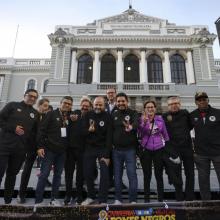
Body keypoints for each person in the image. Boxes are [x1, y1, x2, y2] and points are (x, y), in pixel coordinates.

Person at [0, 89, 39, 204]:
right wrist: (13, 128)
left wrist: (32, 149)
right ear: (24, 95)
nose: (32, 98)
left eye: (35, 97)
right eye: (30, 96)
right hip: (4, 147)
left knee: (12, 175)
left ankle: (7, 202)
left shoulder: (35, 114)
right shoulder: (12, 105)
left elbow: (34, 134)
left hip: (20, 150)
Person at [35, 96, 73, 206]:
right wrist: (40, 146)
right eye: (65, 103)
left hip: (62, 152)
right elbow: (42, 130)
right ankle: (38, 201)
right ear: (60, 103)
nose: (67, 105)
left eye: (69, 104)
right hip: (49, 150)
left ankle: (54, 199)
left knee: (58, 175)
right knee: (44, 175)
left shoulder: (70, 117)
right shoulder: (51, 114)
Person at [17, 98, 50, 204]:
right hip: (31, 147)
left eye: (48, 106)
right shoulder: (33, 115)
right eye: (45, 106)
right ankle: (21, 194)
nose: (46, 108)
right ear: (39, 105)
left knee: (45, 169)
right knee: (27, 170)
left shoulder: (46, 117)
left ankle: (42, 190)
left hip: (42, 147)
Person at [163, 96, 195, 201]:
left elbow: (191, 126)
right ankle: (179, 197)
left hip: (187, 148)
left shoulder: (185, 113)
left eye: (176, 103)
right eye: (171, 104)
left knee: (190, 173)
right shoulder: (164, 116)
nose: (174, 105)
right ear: (168, 106)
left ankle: (190, 196)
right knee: (177, 174)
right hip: (174, 150)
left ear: (179, 104)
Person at [81, 97, 112, 205]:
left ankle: (103, 199)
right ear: (93, 105)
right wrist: (88, 131)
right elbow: (82, 132)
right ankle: (90, 196)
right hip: (89, 148)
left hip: (102, 148)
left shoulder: (108, 116)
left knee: (104, 174)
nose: (98, 107)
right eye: (96, 105)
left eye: (100, 105)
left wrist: (107, 155)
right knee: (88, 173)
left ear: (104, 105)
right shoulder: (87, 115)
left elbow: (109, 137)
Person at [190, 92, 220, 200]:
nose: (202, 101)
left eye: (204, 99)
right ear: (196, 102)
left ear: (208, 100)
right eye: (199, 100)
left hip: (218, 152)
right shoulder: (192, 115)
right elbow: (184, 131)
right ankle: (206, 203)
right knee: (203, 180)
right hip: (201, 154)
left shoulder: (218, 113)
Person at [138, 100, 169, 202]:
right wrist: (145, 122)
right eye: (148, 107)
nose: (150, 109)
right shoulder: (141, 120)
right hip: (146, 149)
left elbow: (165, 134)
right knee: (147, 175)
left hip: (159, 149)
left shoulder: (160, 119)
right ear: (145, 109)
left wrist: (168, 148)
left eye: (152, 107)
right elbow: (141, 133)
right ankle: (146, 199)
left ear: (155, 108)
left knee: (158, 174)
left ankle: (161, 199)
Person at [64, 97, 92, 205]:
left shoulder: (91, 117)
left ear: (90, 107)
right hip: (70, 149)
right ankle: (68, 195)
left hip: (83, 150)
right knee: (68, 174)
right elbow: (67, 114)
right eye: (83, 105)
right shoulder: (74, 113)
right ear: (80, 105)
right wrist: (70, 116)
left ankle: (79, 195)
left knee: (80, 175)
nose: (84, 107)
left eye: (87, 106)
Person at [112, 92, 138, 204]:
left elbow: (137, 123)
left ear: (127, 101)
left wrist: (131, 126)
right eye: (118, 101)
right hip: (116, 150)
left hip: (130, 150)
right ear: (116, 103)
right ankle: (118, 199)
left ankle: (133, 200)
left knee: (131, 174)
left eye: (123, 101)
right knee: (117, 175)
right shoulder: (113, 114)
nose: (121, 103)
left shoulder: (133, 113)